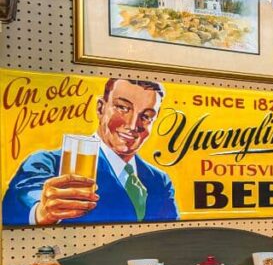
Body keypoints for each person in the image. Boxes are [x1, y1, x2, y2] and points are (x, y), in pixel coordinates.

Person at [3, 78, 179, 225]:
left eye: (146, 116)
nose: (133, 125)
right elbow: (23, 202)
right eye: (123, 108)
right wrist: (42, 212)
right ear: (101, 108)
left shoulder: (159, 180)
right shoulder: (47, 163)